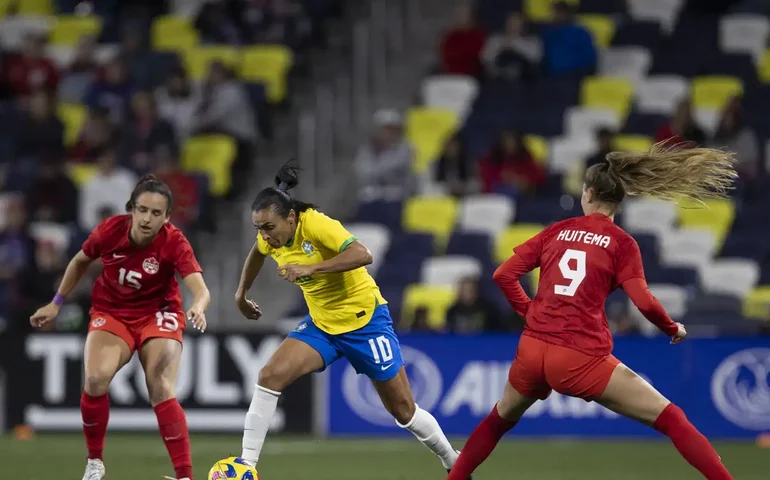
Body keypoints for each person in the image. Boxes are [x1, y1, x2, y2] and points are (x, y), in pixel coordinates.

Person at [447, 142, 737, 480]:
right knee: (672, 419)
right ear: (619, 199)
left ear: (588, 193)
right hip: (578, 356)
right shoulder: (621, 243)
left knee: (499, 420)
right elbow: (642, 301)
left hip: (532, 349)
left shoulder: (557, 230)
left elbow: (503, 274)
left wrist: (529, 312)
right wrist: (672, 328)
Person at [235, 163, 465, 476]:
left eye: (268, 228)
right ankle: (246, 467)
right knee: (269, 375)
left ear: (290, 218)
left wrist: (312, 269)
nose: (264, 235)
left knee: (404, 411)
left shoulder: (315, 224)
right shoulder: (271, 237)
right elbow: (257, 253)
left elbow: (363, 254)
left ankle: (454, 461)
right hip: (322, 326)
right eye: (258, 228)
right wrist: (241, 293)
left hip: (365, 322)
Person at [29, 175, 211, 480]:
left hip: (159, 313)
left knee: (160, 385)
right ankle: (95, 463)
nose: (147, 219)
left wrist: (198, 306)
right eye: (142, 210)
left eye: (156, 213)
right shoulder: (110, 231)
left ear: (167, 218)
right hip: (112, 312)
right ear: (131, 209)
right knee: (96, 378)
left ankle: (184, 476)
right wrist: (56, 302)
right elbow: (78, 261)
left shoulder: (174, 241)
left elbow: (200, 288)